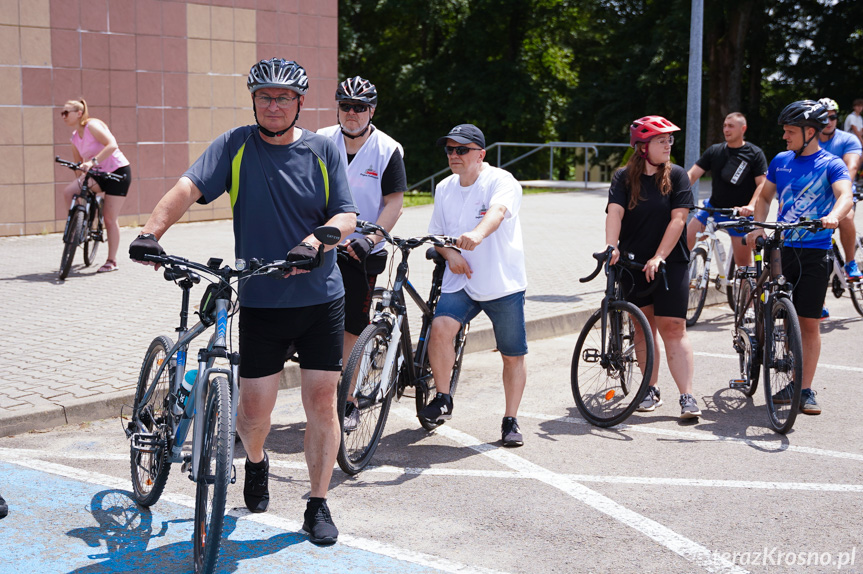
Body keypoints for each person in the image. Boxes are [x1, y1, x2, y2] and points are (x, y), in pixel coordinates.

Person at [129, 58, 357, 545]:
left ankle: (317, 503)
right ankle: (256, 460)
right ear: (254, 100)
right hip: (261, 301)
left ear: (299, 102)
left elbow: (346, 214)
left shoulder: (322, 150)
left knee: (321, 400)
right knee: (253, 415)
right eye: (265, 97)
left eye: (284, 98)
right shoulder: (236, 145)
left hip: (320, 299)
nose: (274, 105)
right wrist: (151, 232)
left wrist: (315, 243)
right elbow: (189, 187)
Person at [417, 124, 528, 447]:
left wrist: (477, 234)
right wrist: (451, 254)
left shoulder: (500, 181)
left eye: (461, 150)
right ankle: (443, 397)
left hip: (501, 282)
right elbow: (436, 234)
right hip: (461, 280)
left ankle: (510, 419)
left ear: (481, 154)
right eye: (450, 150)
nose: (454, 155)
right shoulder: (445, 187)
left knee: (512, 355)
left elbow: (497, 212)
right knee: (440, 328)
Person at [749, 100, 852, 415]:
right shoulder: (781, 161)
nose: (784, 136)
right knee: (774, 311)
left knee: (808, 323)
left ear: (810, 132)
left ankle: (803, 388)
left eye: (790, 131)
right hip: (782, 249)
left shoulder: (831, 163)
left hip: (815, 252)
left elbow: (845, 195)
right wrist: (757, 225)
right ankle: (758, 345)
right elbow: (765, 196)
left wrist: (835, 216)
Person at [316, 76, 406, 431]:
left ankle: (348, 399)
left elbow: (394, 203)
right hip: (321, 243)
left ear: (372, 110)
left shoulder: (387, 149)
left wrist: (371, 238)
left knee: (353, 324)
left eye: (360, 107)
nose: (352, 113)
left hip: (361, 250)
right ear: (337, 107)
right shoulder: (320, 140)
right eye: (346, 105)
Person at [606, 116, 700, 419]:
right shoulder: (623, 177)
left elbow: (678, 219)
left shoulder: (677, 175)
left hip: (669, 263)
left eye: (669, 139)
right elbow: (615, 212)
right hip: (632, 263)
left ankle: (687, 396)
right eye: (662, 140)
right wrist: (611, 245)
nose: (668, 145)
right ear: (643, 147)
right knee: (642, 328)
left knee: (673, 328)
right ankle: (650, 388)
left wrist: (659, 256)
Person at [686, 112, 768, 267]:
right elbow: (691, 175)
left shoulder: (754, 154)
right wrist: (675, 194)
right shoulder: (714, 151)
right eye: (724, 126)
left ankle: (746, 291)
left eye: (731, 126)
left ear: (743, 128)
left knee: (743, 264)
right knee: (684, 244)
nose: (726, 129)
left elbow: (762, 185)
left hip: (739, 215)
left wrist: (750, 207)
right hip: (713, 208)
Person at [61, 98, 132, 273]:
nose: (63, 116)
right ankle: (78, 225)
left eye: (66, 113)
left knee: (109, 218)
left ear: (78, 113)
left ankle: (111, 261)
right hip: (97, 173)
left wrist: (92, 162)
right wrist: (81, 180)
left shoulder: (92, 126)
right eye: (61, 113)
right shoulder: (74, 138)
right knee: (69, 191)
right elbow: (78, 165)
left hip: (117, 172)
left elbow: (112, 145)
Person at [817, 98, 862, 287]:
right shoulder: (809, 139)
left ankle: (851, 263)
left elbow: (851, 167)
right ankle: (819, 303)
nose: (829, 121)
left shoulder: (847, 139)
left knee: (846, 217)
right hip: (816, 196)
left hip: (840, 193)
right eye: (823, 117)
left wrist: (842, 188)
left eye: (833, 117)